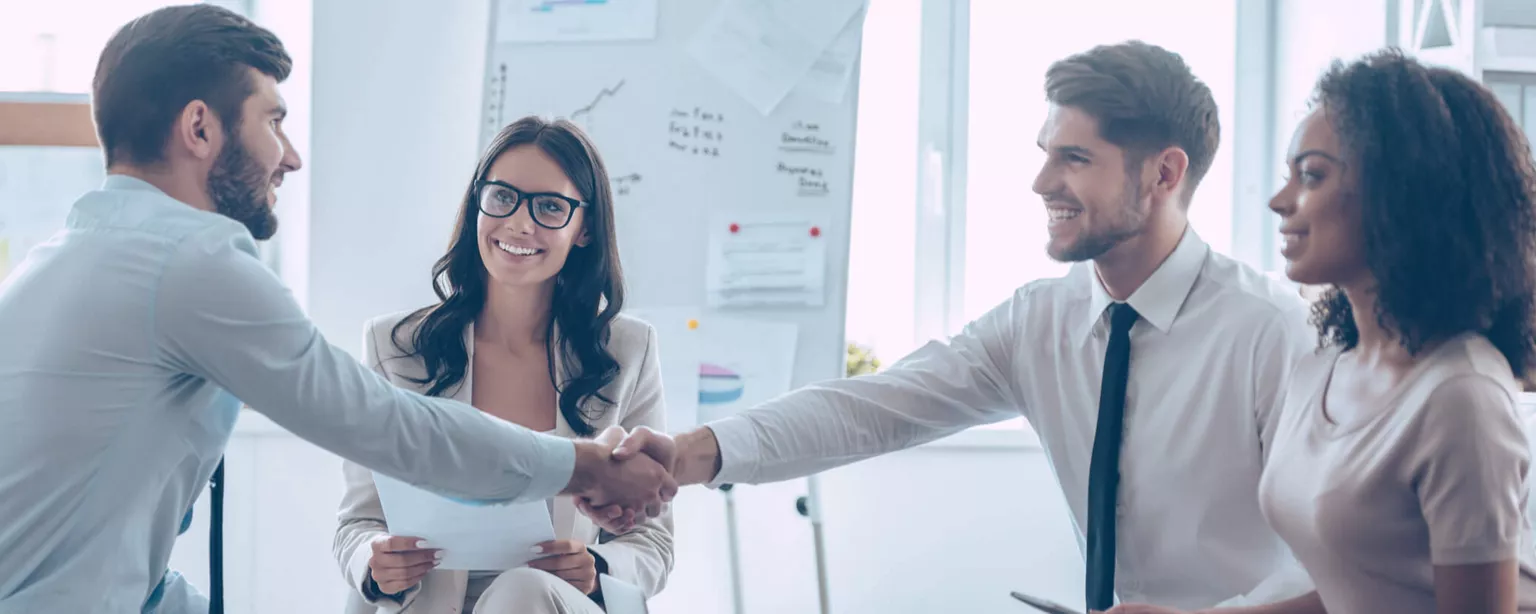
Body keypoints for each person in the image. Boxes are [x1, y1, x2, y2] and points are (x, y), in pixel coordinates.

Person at [594, 41, 1316, 610]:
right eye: (1045, 154)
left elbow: (1353, 564)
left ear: (1164, 174)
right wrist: (687, 455)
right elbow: (873, 409)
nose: (1040, 184)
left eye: (1074, 158)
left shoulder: (1272, 333)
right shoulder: (1041, 321)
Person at [0, 7, 671, 613]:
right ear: (200, 128)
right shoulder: (192, 263)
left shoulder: (60, 259)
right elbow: (384, 425)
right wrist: (580, 465)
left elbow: (105, 549)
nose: (289, 157)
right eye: (273, 120)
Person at [1111, 50, 1536, 614]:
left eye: (1311, 175)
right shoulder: (1328, 362)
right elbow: (1358, 589)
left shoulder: (1461, 399)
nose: (1278, 200)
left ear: (1402, 193)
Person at [335, 117, 673, 614]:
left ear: (584, 230)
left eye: (550, 207)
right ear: (478, 203)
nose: (518, 223)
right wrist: (375, 564)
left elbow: (654, 544)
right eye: (501, 197)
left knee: (523, 590)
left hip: (553, 604)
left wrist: (597, 568)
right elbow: (357, 522)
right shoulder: (395, 345)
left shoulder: (628, 351)